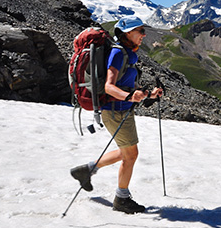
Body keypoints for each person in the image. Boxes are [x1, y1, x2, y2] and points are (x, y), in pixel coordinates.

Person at [70, 16, 163, 214]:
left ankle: (87, 170)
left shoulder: (127, 53)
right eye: (140, 31)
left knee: (125, 152)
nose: (144, 35)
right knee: (131, 155)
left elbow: (127, 85)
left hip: (120, 110)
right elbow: (109, 87)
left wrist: (148, 94)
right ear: (127, 33)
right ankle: (121, 199)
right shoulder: (118, 53)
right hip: (115, 111)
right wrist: (130, 96)